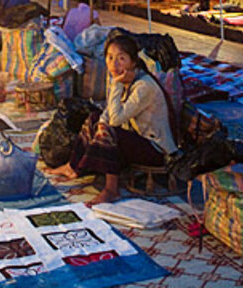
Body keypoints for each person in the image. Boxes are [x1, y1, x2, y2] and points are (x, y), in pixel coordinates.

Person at [45, 34, 178, 205]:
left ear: (133, 61)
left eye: (121, 58)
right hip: (137, 139)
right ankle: (73, 167)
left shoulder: (143, 86)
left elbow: (115, 120)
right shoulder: (126, 80)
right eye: (110, 57)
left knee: (108, 130)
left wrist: (115, 85)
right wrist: (101, 122)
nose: (114, 64)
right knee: (94, 118)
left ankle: (111, 189)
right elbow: (109, 112)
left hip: (156, 150)